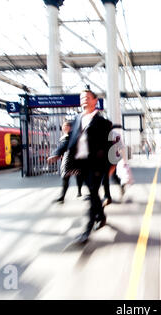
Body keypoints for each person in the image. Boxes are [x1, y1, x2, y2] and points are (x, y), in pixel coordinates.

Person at [48, 89, 112, 244]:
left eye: (87, 97)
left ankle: (86, 231)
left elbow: (109, 146)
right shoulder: (77, 118)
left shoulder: (103, 122)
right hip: (80, 164)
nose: (84, 99)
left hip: (95, 165)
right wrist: (57, 152)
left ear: (95, 100)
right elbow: (70, 139)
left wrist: (110, 167)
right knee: (93, 193)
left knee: (92, 195)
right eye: (82, 97)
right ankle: (102, 216)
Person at [53, 121, 83, 203]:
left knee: (78, 175)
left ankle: (79, 190)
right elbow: (62, 148)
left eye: (66, 126)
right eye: (63, 126)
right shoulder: (62, 137)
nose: (64, 128)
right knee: (65, 177)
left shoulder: (73, 135)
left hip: (75, 158)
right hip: (66, 159)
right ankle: (62, 196)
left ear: (70, 127)